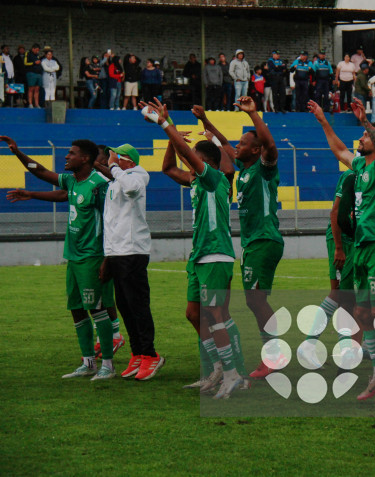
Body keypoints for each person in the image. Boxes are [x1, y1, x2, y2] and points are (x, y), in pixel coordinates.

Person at [148, 98, 244, 399]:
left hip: (216, 254)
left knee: (215, 313)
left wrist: (167, 125)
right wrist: (172, 139)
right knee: (194, 313)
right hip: (199, 256)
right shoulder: (197, 183)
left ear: (206, 163)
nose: (188, 168)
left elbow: (188, 157)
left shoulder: (215, 179)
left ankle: (232, 375)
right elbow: (167, 168)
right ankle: (216, 369)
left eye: (193, 163)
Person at [310, 98, 375, 403]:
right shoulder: (360, 165)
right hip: (361, 246)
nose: (360, 140)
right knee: (362, 312)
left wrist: (368, 122)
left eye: (364, 137)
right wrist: (324, 120)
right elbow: (339, 149)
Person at [1, 136, 117, 379]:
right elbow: (42, 173)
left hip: (93, 256)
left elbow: (112, 222)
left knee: (96, 309)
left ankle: (108, 364)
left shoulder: (100, 184)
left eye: (71, 153)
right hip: (73, 256)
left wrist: (108, 258)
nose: (66, 156)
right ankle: (88, 362)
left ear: (85, 158)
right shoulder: (73, 181)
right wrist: (18, 153)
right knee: (76, 308)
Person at [194, 100, 284, 379]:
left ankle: (275, 355)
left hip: (264, 238)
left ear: (256, 150)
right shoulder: (244, 171)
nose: (237, 146)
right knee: (253, 301)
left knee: (256, 301)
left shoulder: (264, 168)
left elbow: (270, 147)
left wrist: (253, 114)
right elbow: (224, 143)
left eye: (243, 144)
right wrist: (206, 121)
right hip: (253, 242)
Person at [98, 144, 164, 380]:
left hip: (133, 251)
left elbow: (133, 190)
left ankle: (150, 354)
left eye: (116, 157)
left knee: (137, 305)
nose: (111, 159)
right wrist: (108, 255)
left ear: (127, 160)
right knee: (124, 305)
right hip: (117, 252)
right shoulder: (114, 181)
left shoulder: (138, 174)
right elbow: (110, 223)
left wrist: (114, 166)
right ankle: (137, 353)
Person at [24, 43, 43, 108]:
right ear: (33, 49)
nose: (37, 51)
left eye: (38, 50)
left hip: (38, 73)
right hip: (31, 73)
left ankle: (37, 104)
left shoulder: (37, 55)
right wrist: (34, 63)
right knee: (31, 88)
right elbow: (25, 63)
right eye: (36, 50)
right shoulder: (28, 53)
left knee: (37, 89)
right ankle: (30, 103)